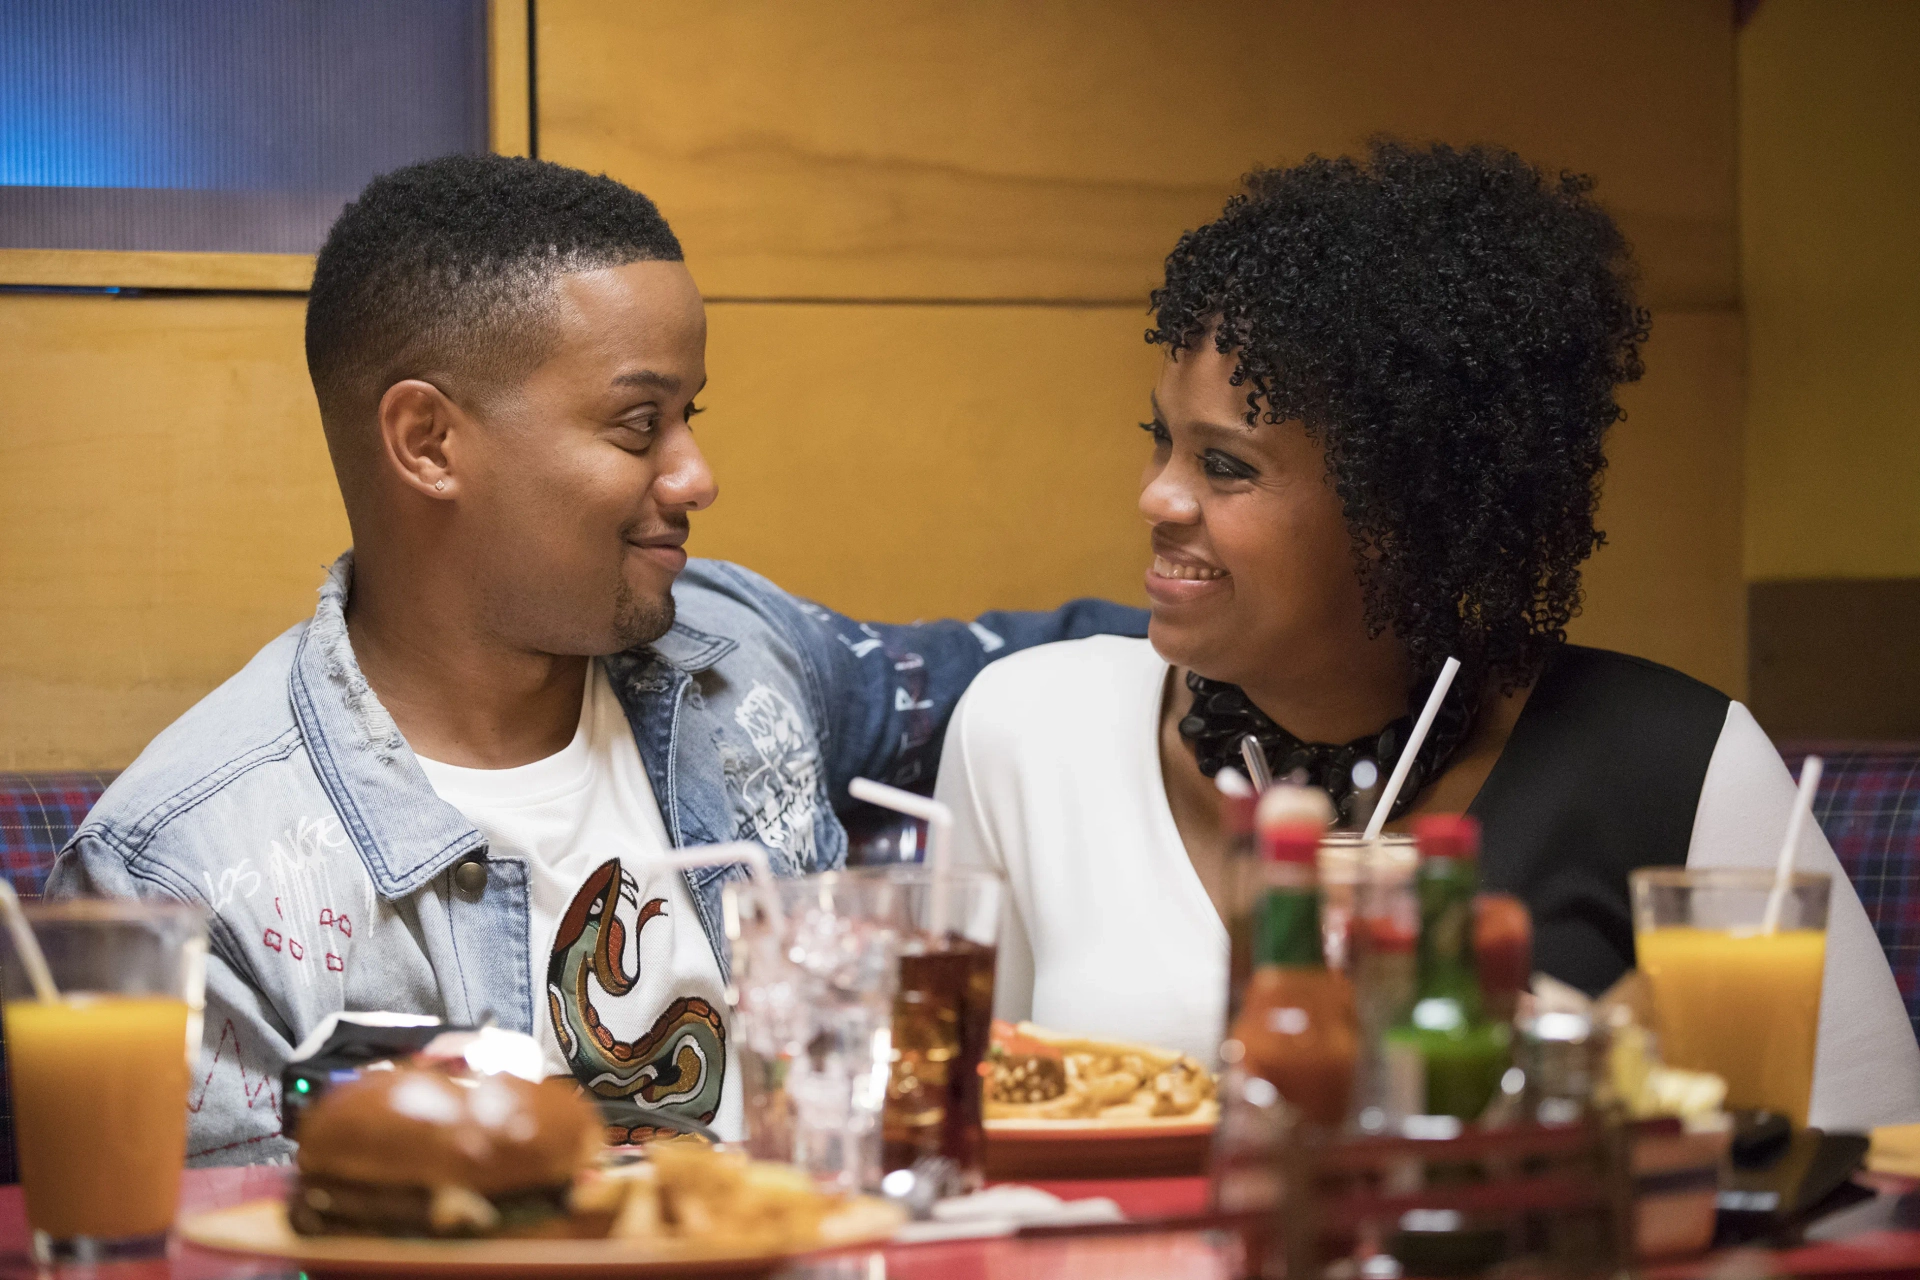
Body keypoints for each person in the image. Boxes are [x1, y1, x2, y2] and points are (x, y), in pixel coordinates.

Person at [49, 154, 1143, 1164]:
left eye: (691, 417)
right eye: (639, 425)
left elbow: (1026, 666)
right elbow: (227, 1243)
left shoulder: (739, 663)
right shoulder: (185, 882)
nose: (697, 474)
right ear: (428, 442)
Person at [935, 141, 1920, 1131]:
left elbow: (1872, 1179)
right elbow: (958, 1146)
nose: (1156, 495)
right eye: (1162, 439)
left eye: (1225, 466)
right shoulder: (1030, 727)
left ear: (1404, 514)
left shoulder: (1683, 764)